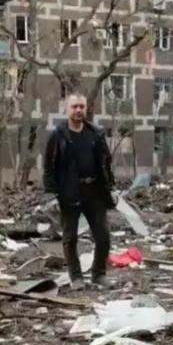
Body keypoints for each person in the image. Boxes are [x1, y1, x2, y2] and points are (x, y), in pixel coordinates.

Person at [43, 93, 116, 289]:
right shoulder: (58, 135)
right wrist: (51, 195)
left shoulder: (95, 134)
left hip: (94, 191)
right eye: (74, 107)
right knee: (70, 237)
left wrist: (110, 187)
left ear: (86, 109)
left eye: (81, 107)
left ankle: (99, 274)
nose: (78, 110)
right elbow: (49, 166)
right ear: (67, 109)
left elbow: (105, 163)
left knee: (103, 237)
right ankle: (76, 277)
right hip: (69, 192)